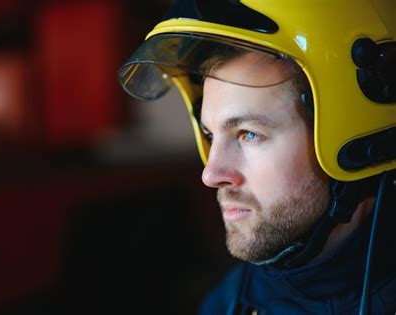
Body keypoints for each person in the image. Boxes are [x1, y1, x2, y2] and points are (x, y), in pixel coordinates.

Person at [117, 0, 396, 314]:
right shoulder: (227, 303)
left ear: (355, 136)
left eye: (248, 134)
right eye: (211, 135)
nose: (211, 174)